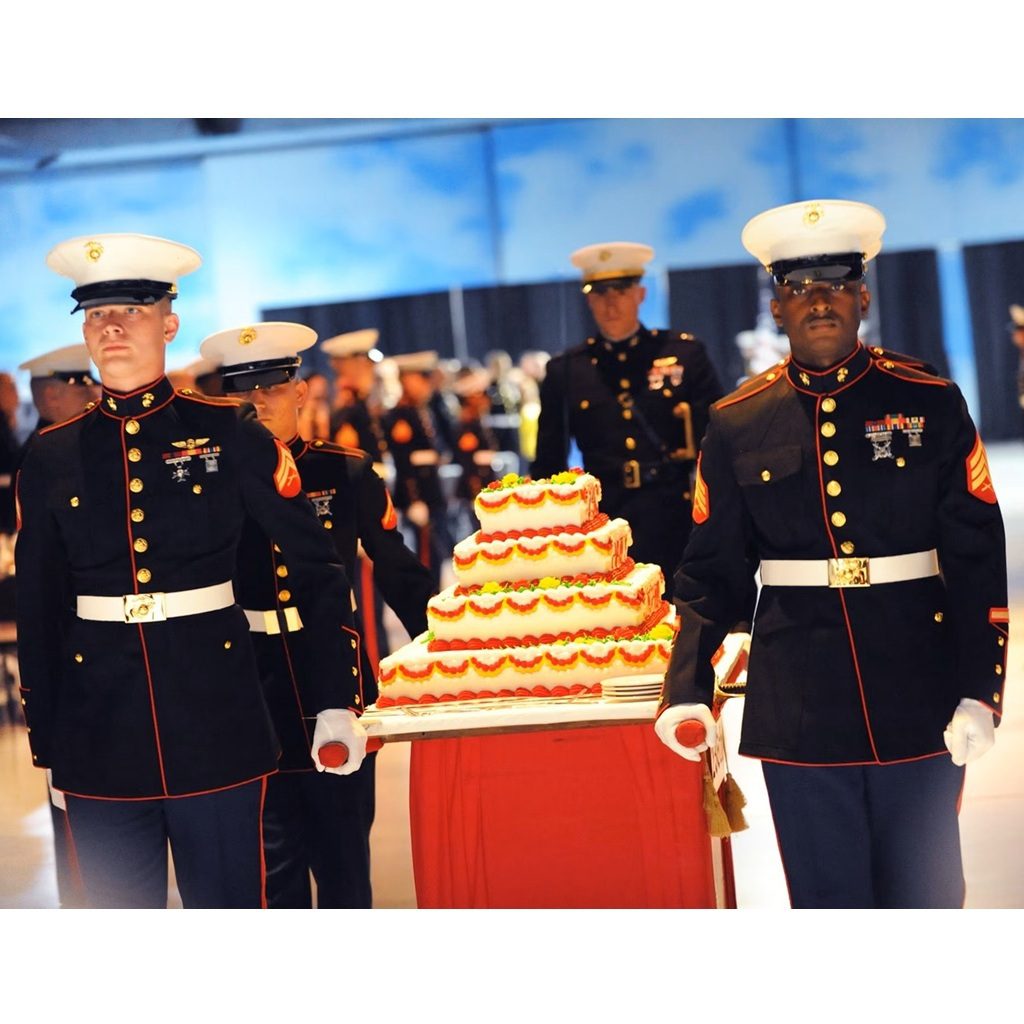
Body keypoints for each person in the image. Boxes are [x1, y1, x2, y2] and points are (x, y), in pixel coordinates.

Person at [655, 199, 1008, 909]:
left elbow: (975, 557)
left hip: (922, 688)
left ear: (863, 297)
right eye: (797, 289)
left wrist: (980, 688)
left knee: (928, 896)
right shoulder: (737, 423)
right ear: (777, 309)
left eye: (835, 285)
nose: (818, 300)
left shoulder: (930, 400)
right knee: (826, 902)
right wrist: (687, 688)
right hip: (800, 702)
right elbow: (710, 572)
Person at [15, 233, 366, 909]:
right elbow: (40, 608)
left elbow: (316, 565)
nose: (112, 326)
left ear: (170, 323)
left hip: (220, 724)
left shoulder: (230, 430)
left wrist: (333, 699)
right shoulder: (51, 456)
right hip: (98, 736)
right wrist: (49, 743)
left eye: (133, 310)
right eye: (96, 314)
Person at [201, 322, 432, 908]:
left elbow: (397, 566)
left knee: (344, 856)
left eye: (271, 388)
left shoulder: (343, 470)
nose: (257, 403)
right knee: (270, 862)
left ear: (300, 392)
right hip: (248, 682)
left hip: (332, 669)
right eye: (242, 392)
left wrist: (448, 644)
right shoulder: (209, 483)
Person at [532, 241, 724, 598]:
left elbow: (718, 441)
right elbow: (548, 461)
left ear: (640, 294)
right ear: (588, 300)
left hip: (676, 513)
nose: (610, 302)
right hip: (603, 524)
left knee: (684, 613)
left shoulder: (683, 353)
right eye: (599, 293)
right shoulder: (567, 370)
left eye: (621, 291)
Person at [383, 350, 454, 590]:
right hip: (419, 495)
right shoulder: (399, 415)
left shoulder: (425, 410)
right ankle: (429, 601)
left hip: (433, 492)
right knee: (427, 554)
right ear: (406, 380)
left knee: (437, 555)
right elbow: (404, 463)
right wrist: (414, 500)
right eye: (420, 379)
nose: (426, 385)